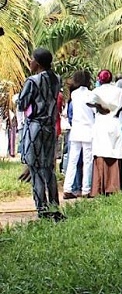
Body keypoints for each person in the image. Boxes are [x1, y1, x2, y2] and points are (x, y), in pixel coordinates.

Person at [16, 48, 65, 221]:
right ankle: (54, 206)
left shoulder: (33, 81)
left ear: (37, 62)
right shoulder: (57, 79)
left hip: (35, 127)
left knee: (35, 169)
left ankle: (42, 209)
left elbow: (22, 104)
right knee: (49, 169)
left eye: (31, 60)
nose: (30, 62)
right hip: (50, 128)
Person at [90, 70, 122, 197]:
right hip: (114, 122)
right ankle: (114, 185)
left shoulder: (97, 91)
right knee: (114, 153)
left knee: (101, 153)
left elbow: (88, 101)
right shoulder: (117, 91)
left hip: (101, 123)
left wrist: (99, 108)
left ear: (100, 80)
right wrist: (119, 108)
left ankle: (100, 186)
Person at [63, 70, 94, 199]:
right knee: (88, 161)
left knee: (72, 160)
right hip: (88, 130)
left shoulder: (74, 94)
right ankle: (86, 189)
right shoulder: (90, 94)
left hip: (76, 130)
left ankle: (67, 188)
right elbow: (94, 110)